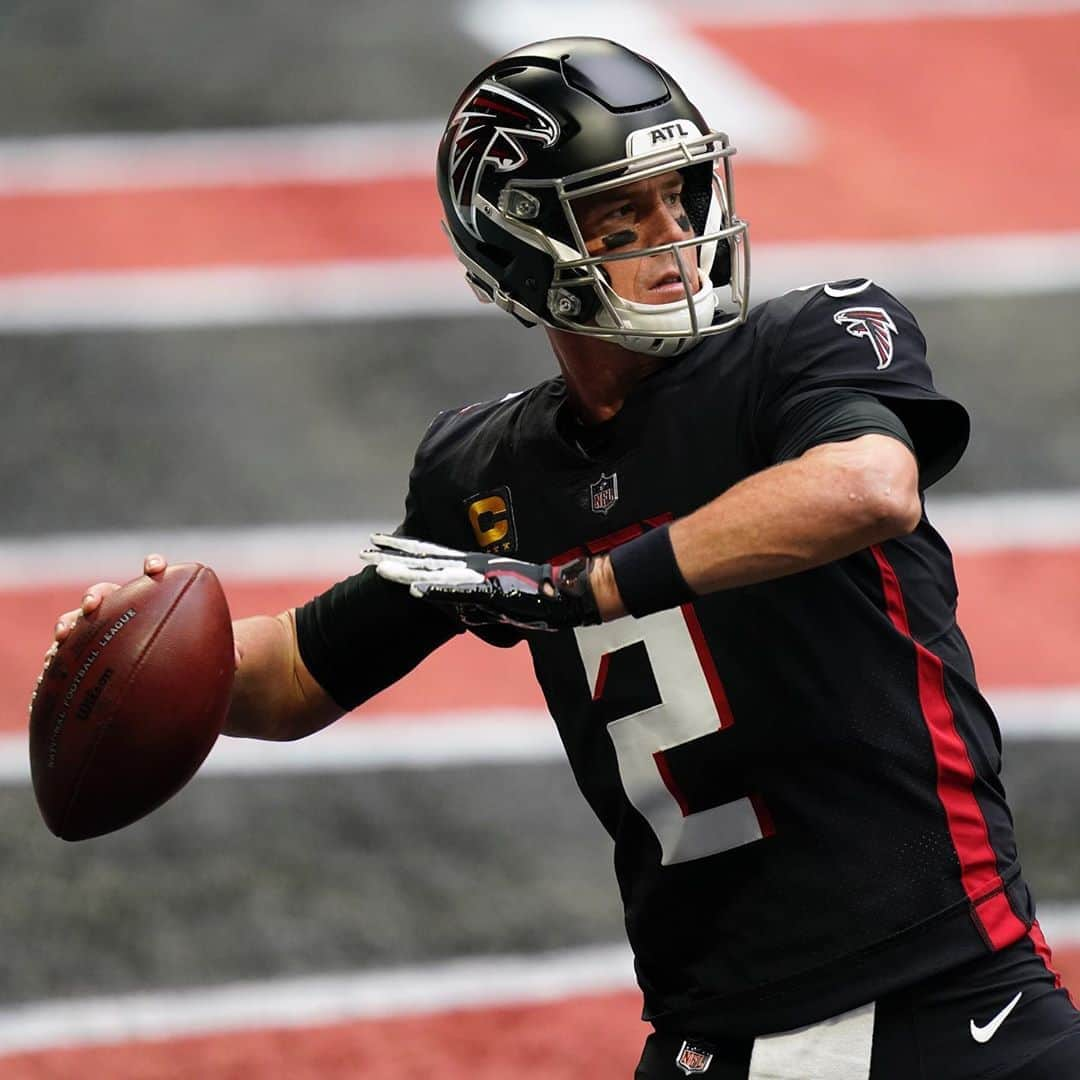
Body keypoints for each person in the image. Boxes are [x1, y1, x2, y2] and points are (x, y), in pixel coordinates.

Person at [49, 37, 1079, 1079]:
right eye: (623, 216)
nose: (675, 239)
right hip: (709, 1040)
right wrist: (135, 655)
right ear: (525, 247)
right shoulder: (490, 473)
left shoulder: (802, 348)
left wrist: (583, 586)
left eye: (681, 199)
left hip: (952, 998)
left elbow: (866, 486)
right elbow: (298, 675)